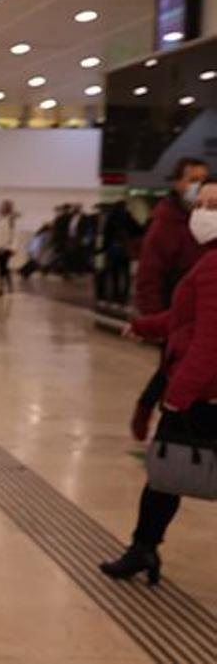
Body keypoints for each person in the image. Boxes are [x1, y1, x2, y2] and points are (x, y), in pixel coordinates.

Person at [101, 178, 217, 583]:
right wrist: (145, 326)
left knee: (165, 476)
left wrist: (177, 396)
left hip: (201, 396)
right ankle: (143, 549)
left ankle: (143, 549)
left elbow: (210, 340)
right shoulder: (210, 258)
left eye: (214, 205)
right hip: (200, 392)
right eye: (200, 203)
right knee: (164, 479)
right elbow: (186, 319)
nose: (203, 213)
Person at [127, 158, 210, 449]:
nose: (197, 185)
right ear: (178, 183)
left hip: (197, 311)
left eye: (204, 178)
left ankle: (153, 411)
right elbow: (150, 275)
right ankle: (161, 421)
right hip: (176, 314)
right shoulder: (166, 224)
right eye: (193, 179)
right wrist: (154, 320)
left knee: (172, 369)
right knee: (173, 369)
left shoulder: (203, 223)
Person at [99, 200, 141, 305]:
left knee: (114, 275)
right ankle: (123, 298)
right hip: (125, 251)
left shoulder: (111, 218)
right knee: (125, 275)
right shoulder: (128, 218)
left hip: (112, 250)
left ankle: (114, 297)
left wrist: (103, 250)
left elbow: (106, 235)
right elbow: (138, 230)